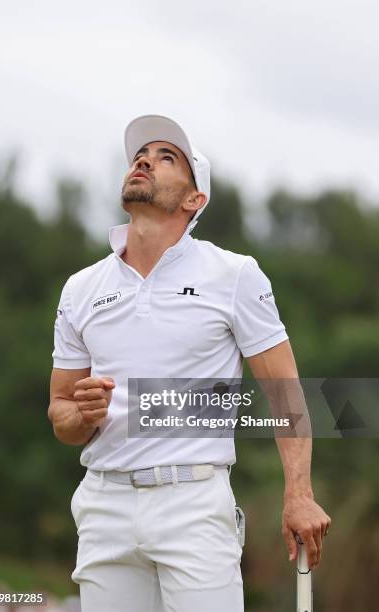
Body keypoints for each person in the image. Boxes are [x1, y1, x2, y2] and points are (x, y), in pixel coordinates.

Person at [48, 114, 331, 612]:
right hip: (103, 505)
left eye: (166, 157)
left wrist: (299, 494)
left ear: (193, 199)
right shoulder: (80, 288)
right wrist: (80, 414)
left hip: (193, 504)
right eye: (140, 155)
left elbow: (285, 393)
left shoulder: (235, 274)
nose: (144, 161)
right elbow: (61, 414)